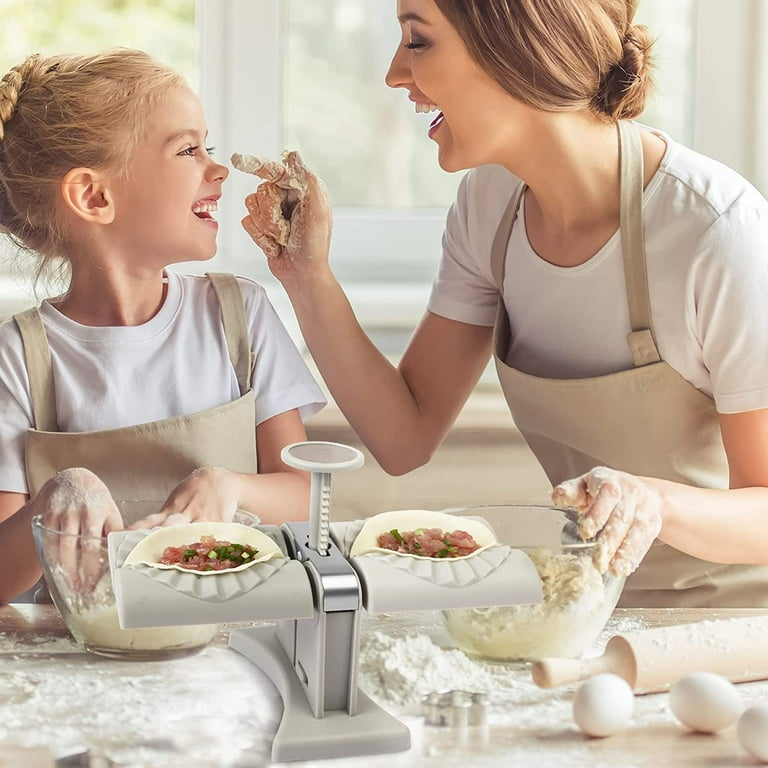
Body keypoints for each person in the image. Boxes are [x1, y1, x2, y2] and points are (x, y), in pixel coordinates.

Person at [241, 0, 768, 608]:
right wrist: (307, 276)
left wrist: (655, 503)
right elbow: (403, 436)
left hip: (734, 628)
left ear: (520, 49)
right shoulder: (490, 207)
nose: (393, 74)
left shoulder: (714, 233)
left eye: (418, 41)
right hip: (588, 603)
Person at [0, 49, 325, 604]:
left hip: (233, 637)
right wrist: (53, 500)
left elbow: (305, 497)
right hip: (81, 653)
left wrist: (229, 486)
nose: (218, 169)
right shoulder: (19, 355)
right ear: (94, 196)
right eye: (188, 149)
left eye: (209, 147)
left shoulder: (239, 314)